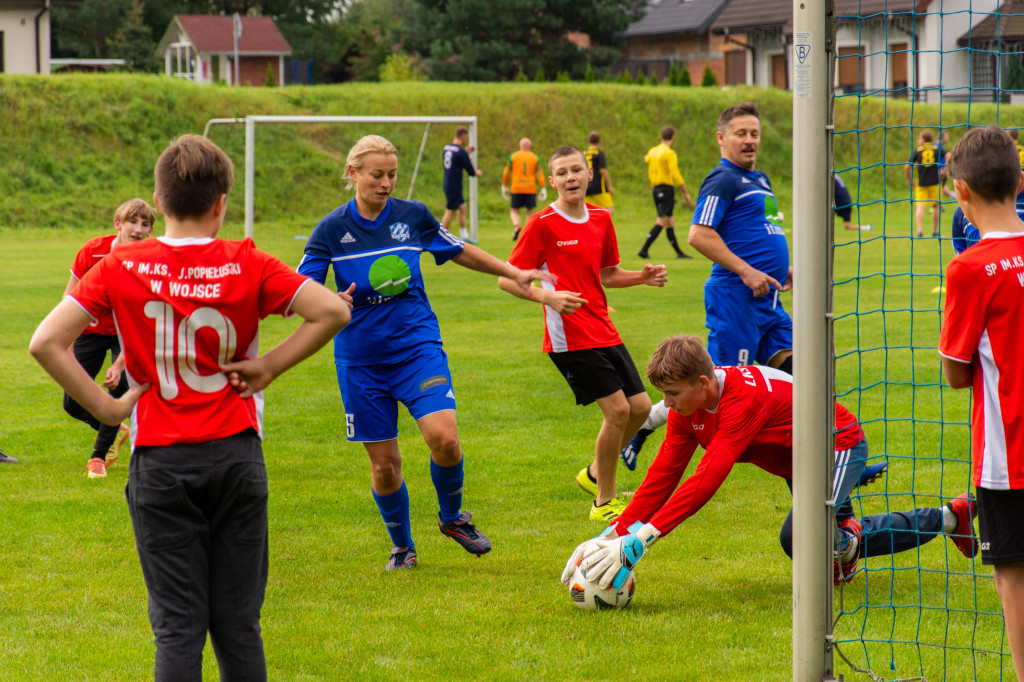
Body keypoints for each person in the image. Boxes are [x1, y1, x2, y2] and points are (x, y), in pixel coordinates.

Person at [30, 134, 351, 680]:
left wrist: (109, 412)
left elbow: (45, 343)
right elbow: (330, 313)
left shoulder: (119, 265)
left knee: (177, 628)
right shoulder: (247, 261)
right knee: (238, 626)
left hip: (160, 461)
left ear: (157, 201)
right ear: (222, 202)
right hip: (235, 456)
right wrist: (269, 366)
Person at [299, 134, 551, 570]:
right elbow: (302, 287)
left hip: (416, 347)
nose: (386, 183)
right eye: (377, 175)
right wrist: (330, 301)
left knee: (445, 438)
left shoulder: (413, 216)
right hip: (360, 361)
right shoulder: (331, 229)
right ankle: (403, 547)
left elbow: (459, 251)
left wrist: (513, 271)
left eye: (391, 175)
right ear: (353, 174)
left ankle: (453, 518)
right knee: (385, 468)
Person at [563, 335, 978, 593]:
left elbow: (706, 480)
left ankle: (856, 542)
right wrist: (612, 533)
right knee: (815, 545)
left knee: (805, 540)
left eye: (671, 393)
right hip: (799, 466)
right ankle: (948, 518)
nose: (665, 405)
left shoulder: (743, 398)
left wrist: (641, 541)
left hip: (837, 448)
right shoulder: (686, 412)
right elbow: (662, 478)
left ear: (702, 384)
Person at [499, 145, 667, 522]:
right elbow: (506, 280)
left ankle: (594, 473)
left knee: (640, 408)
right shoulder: (542, 223)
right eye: (562, 172)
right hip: (569, 336)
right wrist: (548, 297)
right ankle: (604, 501)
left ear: (590, 175)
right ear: (551, 181)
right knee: (618, 410)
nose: (570, 177)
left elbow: (607, 274)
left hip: (603, 327)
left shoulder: (602, 218)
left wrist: (641, 277)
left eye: (577, 170)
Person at [940, 125, 1024, 680]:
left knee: (1012, 573)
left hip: (1008, 455)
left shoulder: (968, 269)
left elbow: (954, 372)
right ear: (1019, 182)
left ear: (962, 192)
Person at [62, 198, 155, 479]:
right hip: (89, 331)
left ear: (151, 230)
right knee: (71, 402)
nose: (138, 229)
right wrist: (65, 340)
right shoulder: (94, 251)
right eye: (132, 222)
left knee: (121, 389)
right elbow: (70, 296)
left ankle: (98, 459)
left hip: (126, 331)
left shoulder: (150, 262)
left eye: (145, 224)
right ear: (118, 224)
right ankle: (116, 428)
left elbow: (141, 320)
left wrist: (119, 364)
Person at [638, 126, 694, 259]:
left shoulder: (653, 151)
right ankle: (644, 249)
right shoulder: (669, 153)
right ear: (673, 137)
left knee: (670, 222)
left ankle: (679, 253)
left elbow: (646, 158)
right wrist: (685, 192)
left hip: (655, 190)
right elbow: (675, 174)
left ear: (661, 137)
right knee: (662, 221)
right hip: (666, 189)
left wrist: (647, 158)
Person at [440, 126, 482, 242]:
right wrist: (476, 173)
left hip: (448, 183)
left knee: (463, 207)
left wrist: (466, 153)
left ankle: (464, 236)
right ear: (463, 136)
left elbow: (455, 160)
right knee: (450, 210)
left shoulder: (447, 148)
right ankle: (440, 237)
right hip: (454, 186)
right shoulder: (460, 151)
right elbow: (470, 170)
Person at [501, 137, 547, 241]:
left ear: (520, 146)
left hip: (516, 187)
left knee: (514, 210)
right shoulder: (535, 157)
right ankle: (527, 232)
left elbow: (506, 171)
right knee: (529, 212)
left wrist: (504, 185)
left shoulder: (513, 156)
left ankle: (517, 225)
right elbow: (539, 173)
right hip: (530, 188)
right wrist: (543, 187)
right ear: (530, 146)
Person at [904, 129, 947, 238]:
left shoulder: (918, 149)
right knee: (936, 206)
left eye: (919, 138)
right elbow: (949, 156)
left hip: (921, 182)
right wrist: (944, 170)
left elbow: (907, 167)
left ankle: (919, 231)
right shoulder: (937, 148)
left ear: (923, 139)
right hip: (935, 182)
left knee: (920, 206)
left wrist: (910, 181)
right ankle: (935, 231)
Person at [583, 131, 614, 215]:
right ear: (599, 141)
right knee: (609, 210)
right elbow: (603, 170)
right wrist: (609, 186)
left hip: (586, 188)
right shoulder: (599, 154)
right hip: (599, 187)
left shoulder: (583, 154)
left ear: (589, 141)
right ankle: (601, 228)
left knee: (589, 213)